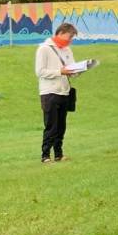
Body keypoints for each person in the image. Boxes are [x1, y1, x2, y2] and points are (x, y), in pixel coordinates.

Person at [35, 23, 78, 164]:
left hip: (64, 91)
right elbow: (40, 72)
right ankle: (45, 155)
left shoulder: (67, 50)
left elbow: (71, 68)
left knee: (61, 126)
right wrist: (60, 71)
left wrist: (77, 71)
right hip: (49, 92)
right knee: (51, 125)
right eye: (69, 36)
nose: (70, 40)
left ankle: (59, 154)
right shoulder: (44, 49)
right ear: (60, 32)